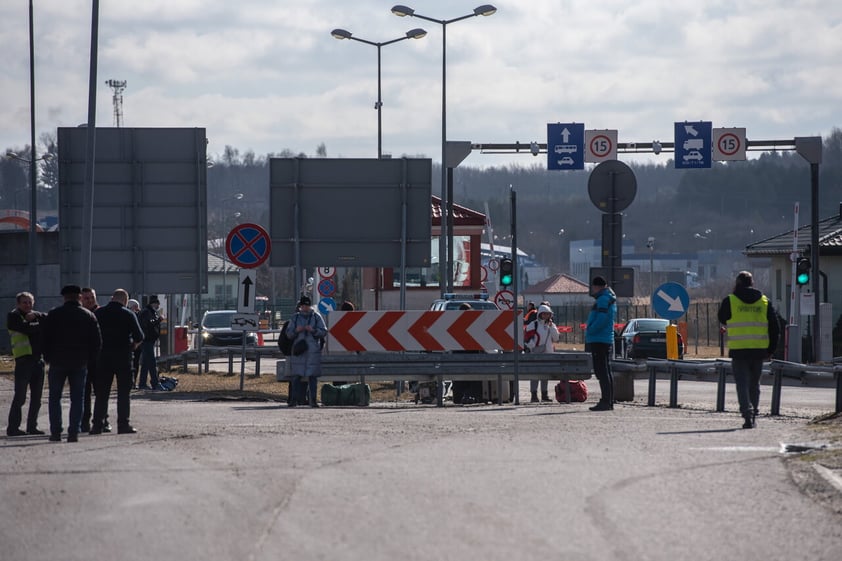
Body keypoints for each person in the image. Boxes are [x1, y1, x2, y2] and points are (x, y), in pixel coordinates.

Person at [717, 271, 780, 429]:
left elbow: (722, 318)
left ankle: (747, 414)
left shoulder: (730, 300)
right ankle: (754, 412)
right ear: (752, 283)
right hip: (759, 350)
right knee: (754, 384)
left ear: (737, 283)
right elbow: (775, 327)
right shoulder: (764, 301)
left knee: (742, 384)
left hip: (739, 350)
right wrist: (771, 349)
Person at [42, 285, 102, 442]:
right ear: (79, 297)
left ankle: (55, 432)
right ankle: (73, 432)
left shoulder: (54, 314)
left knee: (55, 397)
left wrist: (48, 357)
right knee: (78, 398)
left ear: (64, 298)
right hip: (80, 362)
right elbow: (97, 342)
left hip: (57, 361)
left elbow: (45, 338)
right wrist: (89, 359)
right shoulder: (88, 315)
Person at [92, 289, 145, 435]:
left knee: (102, 393)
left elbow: (91, 334)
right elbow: (139, 335)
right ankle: (123, 425)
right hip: (123, 358)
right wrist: (133, 345)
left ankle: (97, 425)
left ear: (112, 298)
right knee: (123, 393)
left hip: (103, 358)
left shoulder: (98, 313)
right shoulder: (128, 314)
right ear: (125, 301)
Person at [6, 291, 47, 436]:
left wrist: (37, 316)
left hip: (38, 360)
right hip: (23, 361)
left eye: (30, 302)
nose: (28, 305)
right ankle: (13, 427)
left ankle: (32, 426)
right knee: (20, 396)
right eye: (24, 302)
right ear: (18, 304)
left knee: (37, 397)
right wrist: (39, 326)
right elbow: (27, 329)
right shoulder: (13, 316)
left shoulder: (36, 315)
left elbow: (48, 320)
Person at [284, 295, 327, 407]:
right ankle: (294, 400)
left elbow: (323, 331)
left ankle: (313, 400)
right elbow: (288, 333)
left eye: (307, 306)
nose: (305, 308)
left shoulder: (316, 317)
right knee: (296, 376)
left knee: (312, 376)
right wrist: (296, 331)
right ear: (300, 306)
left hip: (313, 351)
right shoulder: (295, 318)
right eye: (303, 306)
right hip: (299, 351)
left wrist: (313, 330)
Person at [586, 276, 617, 411]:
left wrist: (591, 329)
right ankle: (608, 400)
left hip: (599, 338)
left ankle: (605, 401)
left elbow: (602, 318)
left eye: (593, 287)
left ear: (597, 286)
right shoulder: (608, 298)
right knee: (606, 370)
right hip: (604, 338)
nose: (593, 289)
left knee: (601, 371)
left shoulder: (603, 299)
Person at [524, 303, 560, 402]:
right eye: (544, 314)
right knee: (534, 375)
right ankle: (534, 395)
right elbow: (527, 338)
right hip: (535, 354)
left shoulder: (551, 325)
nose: (546, 316)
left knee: (545, 375)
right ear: (540, 314)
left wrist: (552, 326)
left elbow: (556, 338)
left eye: (548, 314)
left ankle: (545, 395)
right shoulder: (534, 324)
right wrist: (533, 347)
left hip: (548, 353)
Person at [137, 295, 163, 391]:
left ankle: (142, 383)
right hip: (147, 340)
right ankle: (155, 383)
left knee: (146, 363)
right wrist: (159, 320)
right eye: (157, 304)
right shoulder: (147, 312)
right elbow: (148, 324)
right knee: (151, 363)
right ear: (154, 303)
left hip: (149, 340)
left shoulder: (149, 312)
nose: (158, 306)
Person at [127, 298, 142, 388]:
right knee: (135, 364)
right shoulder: (134, 316)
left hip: (128, 344)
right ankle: (133, 382)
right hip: (134, 344)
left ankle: (130, 382)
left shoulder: (126, 314)